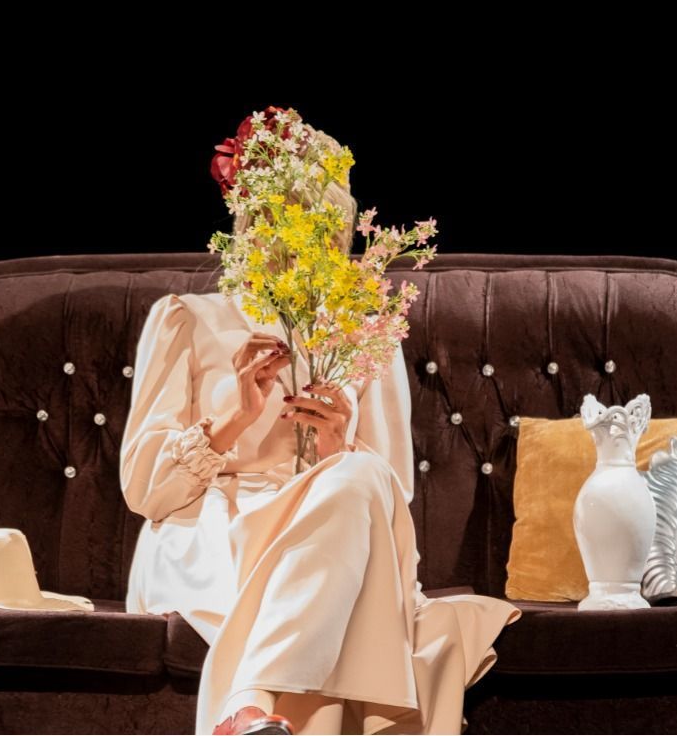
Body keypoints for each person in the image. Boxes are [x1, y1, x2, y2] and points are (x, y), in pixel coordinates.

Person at [119, 144, 522, 735]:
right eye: (274, 222)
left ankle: (249, 704)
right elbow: (144, 492)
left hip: (334, 535)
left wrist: (339, 446)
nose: (290, 244)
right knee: (354, 586)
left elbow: (390, 492)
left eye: (314, 227)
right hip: (213, 534)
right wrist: (234, 416)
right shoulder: (187, 318)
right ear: (248, 221)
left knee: (359, 474)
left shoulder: (361, 334)